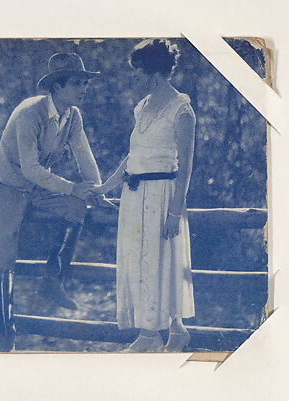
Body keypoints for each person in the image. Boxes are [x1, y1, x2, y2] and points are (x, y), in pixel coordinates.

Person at [0, 52, 106, 351]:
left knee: (77, 206)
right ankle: (6, 333)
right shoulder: (29, 114)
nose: (84, 87)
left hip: (36, 188)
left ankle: (52, 279)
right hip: (2, 189)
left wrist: (96, 192)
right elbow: (31, 168)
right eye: (77, 82)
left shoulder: (73, 115)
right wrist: (73, 187)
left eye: (85, 82)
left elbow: (84, 156)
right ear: (57, 88)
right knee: (5, 256)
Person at [92, 39, 196, 352]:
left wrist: (174, 214)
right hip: (134, 196)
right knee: (139, 263)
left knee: (159, 262)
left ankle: (149, 337)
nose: (134, 78)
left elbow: (186, 168)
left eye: (137, 72)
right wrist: (104, 188)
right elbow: (132, 156)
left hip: (163, 197)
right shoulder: (142, 107)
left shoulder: (182, 110)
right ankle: (175, 331)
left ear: (152, 73)